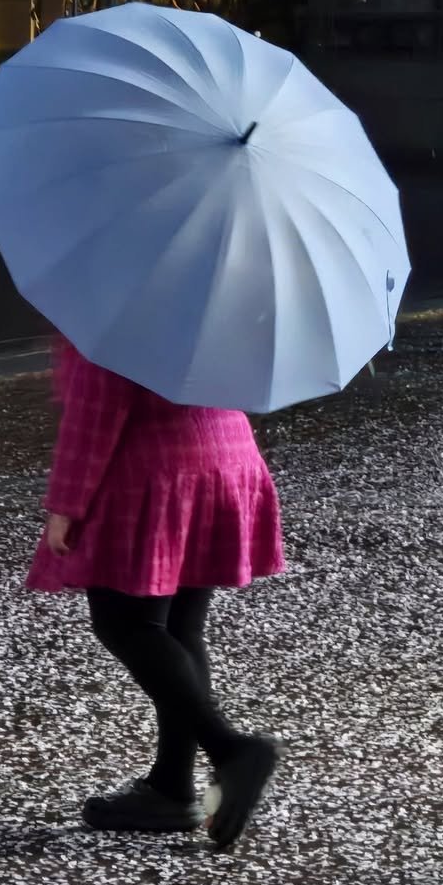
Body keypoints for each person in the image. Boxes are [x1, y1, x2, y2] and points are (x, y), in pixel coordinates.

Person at [27, 337, 285, 848]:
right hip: (224, 455)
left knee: (126, 623)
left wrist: (66, 503)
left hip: (155, 470)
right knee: (178, 629)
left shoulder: (121, 314)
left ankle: (230, 748)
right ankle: (171, 787)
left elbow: (96, 409)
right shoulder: (208, 300)